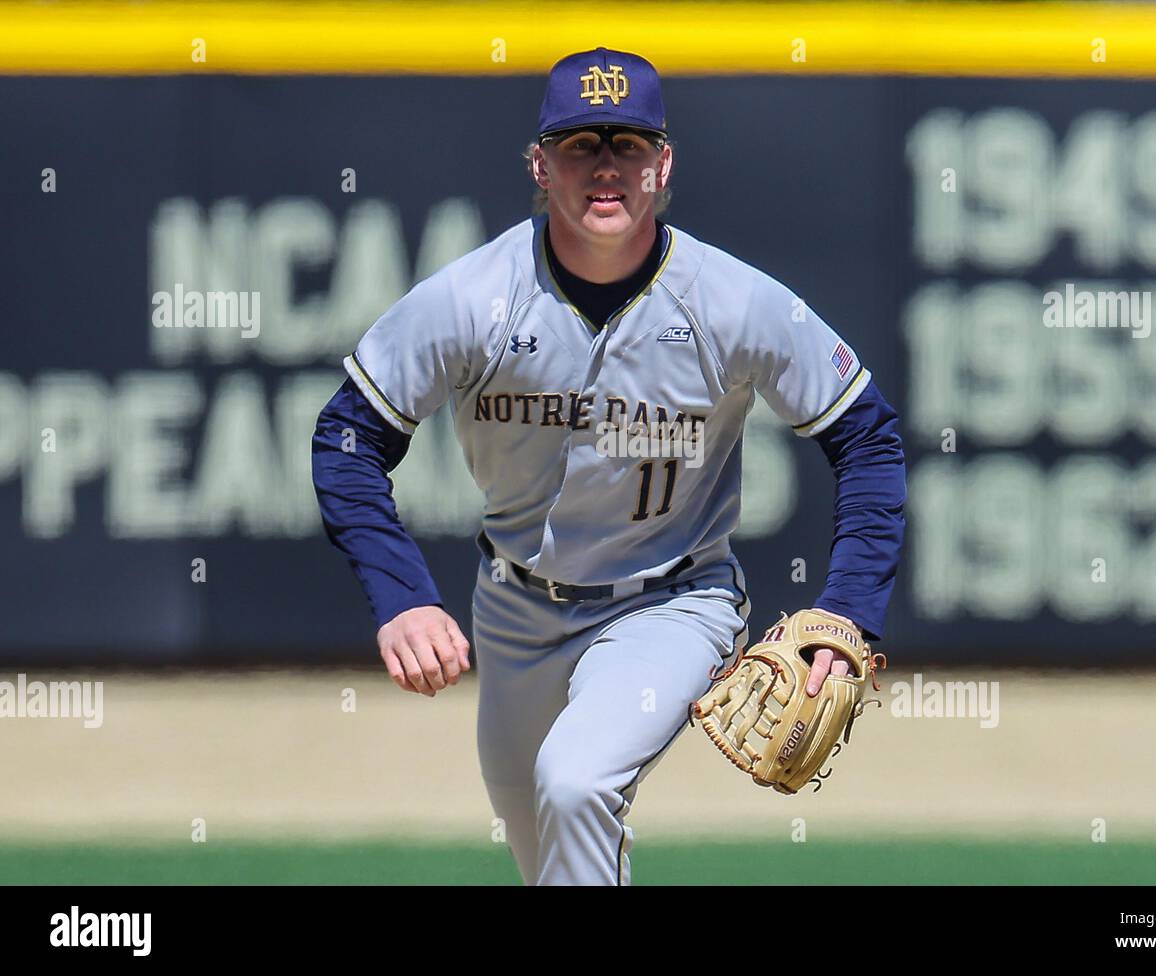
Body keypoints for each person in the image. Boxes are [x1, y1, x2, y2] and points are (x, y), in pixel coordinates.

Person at [311, 46, 906, 886]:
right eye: (581, 144)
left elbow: (867, 438)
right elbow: (348, 440)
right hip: (513, 611)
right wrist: (401, 595)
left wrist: (850, 612)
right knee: (550, 856)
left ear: (663, 164)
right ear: (539, 164)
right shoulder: (473, 298)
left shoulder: (729, 301)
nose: (605, 168)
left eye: (626, 144)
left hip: (672, 602)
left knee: (577, 782)